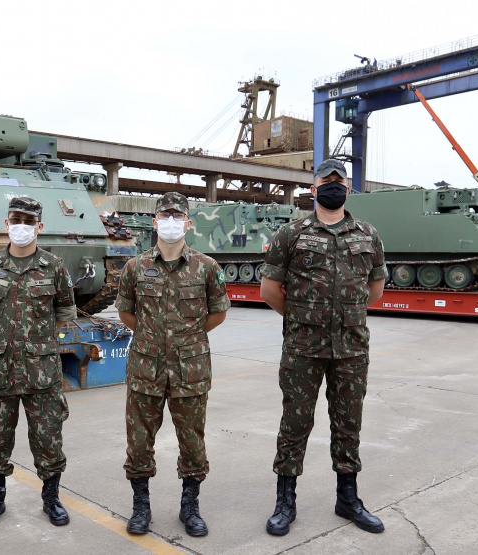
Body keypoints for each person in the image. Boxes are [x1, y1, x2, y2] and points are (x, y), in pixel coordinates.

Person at [259, 159, 387, 536]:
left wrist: (340, 317)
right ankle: (285, 502)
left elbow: (375, 291)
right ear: (312, 189)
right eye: (325, 180)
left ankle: (348, 498)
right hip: (303, 348)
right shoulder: (291, 233)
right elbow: (269, 291)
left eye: (339, 180)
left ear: (347, 189)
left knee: (348, 423)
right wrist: (304, 317)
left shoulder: (367, 234)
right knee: (295, 424)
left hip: (350, 348)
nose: (333, 185)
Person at [115, 191, 230, 538]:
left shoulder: (207, 267)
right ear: (154, 222)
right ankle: (141, 507)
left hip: (189, 371)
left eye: (177, 216)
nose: (170, 222)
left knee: (192, 442)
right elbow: (125, 311)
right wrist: (154, 337)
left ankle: (190, 506)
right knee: (138, 442)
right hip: (145, 369)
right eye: (164, 216)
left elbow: (218, 313)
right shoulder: (136, 267)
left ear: (188, 223)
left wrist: (185, 339)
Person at [0, 196, 77, 528]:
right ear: (7, 224)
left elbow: (64, 313)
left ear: (39, 227)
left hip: (41, 370)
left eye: (29, 222)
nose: (22, 227)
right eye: (16, 220)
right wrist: (2, 337)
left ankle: (51, 499)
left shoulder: (54, 266)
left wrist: (39, 342)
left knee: (48, 437)